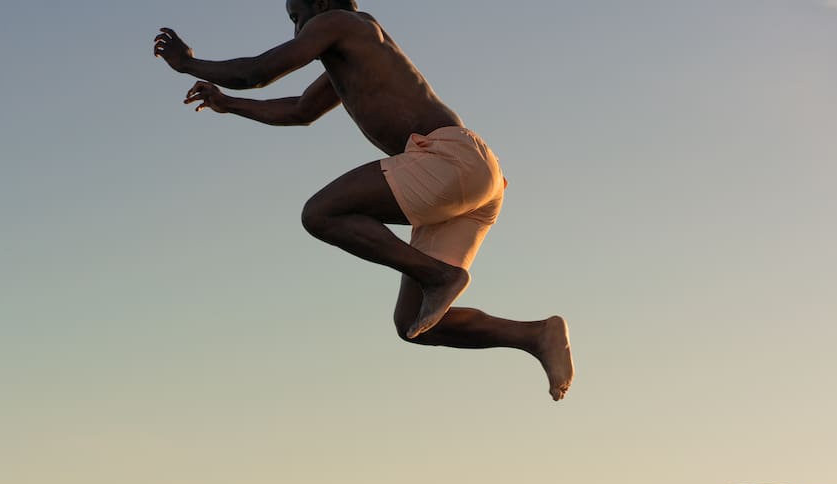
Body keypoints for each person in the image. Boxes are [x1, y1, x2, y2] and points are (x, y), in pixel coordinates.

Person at [154, 0, 574, 401]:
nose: (297, 31)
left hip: (449, 159)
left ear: (321, 5)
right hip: (473, 179)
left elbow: (260, 71)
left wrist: (186, 62)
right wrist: (229, 104)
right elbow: (301, 109)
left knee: (321, 213)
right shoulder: (352, 54)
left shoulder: (342, 23)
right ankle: (535, 335)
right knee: (413, 324)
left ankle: (437, 275)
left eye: (297, 17)